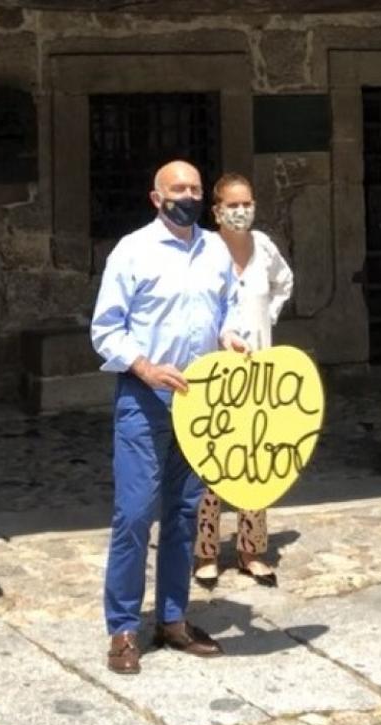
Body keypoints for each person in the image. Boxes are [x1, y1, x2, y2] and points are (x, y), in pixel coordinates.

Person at [91, 159, 250, 675]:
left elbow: (230, 307)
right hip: (145, 396)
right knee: (135, 514)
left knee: (185, 513)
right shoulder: (132, 251)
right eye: (178, 189)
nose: (188, 196)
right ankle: (122, 628)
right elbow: (106, 329)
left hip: (200, 401)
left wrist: (230, 335)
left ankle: (173, 619)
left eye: (196, 188)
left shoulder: (216, 251)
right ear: (156, 198)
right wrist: (145, 367)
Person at [192, 173, 293, 590]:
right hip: (214, 373)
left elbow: (283, 282)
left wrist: (266, 319)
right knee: (211, 461)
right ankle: (206, 551)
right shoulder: (202, 249)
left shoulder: (264, 246)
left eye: (246, 203)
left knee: (256, 460)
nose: (241, 211)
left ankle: (252, 548)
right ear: (216, 210)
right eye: (232, 204)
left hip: (258, 370)